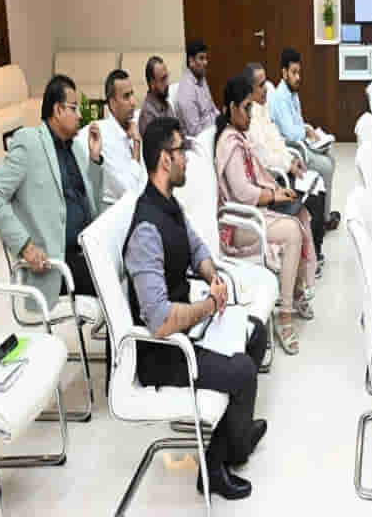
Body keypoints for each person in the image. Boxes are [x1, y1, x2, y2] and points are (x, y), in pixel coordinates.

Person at [125, 117, 267, 501]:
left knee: (257, 333)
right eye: (181, 151)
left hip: (187, 326)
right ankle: (215, 468)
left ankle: (237, 436)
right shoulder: (146, 230)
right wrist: (207, 306)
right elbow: (160, 321)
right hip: (163, 353)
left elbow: (196, 248)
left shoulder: (169, 205)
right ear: (164, 160)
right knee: (243, 371)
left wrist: (213, 277)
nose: (186, 159)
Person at [214, 76, 318, 354]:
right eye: (246, 108)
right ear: (232, 108)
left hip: (253, 213)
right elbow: (242, 192)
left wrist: (278, 191)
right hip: (238, 225)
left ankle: (296, 291)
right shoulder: (229, 143)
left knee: (302, 214)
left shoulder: (240, 137)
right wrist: (274, 196)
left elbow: (257, 177)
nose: (250, 114)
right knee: (292, 231)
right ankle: (285, 316)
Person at [0, 74, 105, 308]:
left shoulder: (77, 149)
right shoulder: (29, 143)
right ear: (58, 110)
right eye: (74, 108)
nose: (80, 115)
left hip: (87, 249)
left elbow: (94, 207)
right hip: (57, 264)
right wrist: (25, 247)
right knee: (113, 280)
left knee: (134, 263)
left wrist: (95, 160)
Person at [242, 62, 328, 275]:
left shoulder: (262, 109)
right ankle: (310, 258)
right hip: (273, 178)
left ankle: (315, 252)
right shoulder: (249, 119)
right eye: (261, 85)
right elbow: (263, 157)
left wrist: (291, 160)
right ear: (250, 90)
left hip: (283, 168)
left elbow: (277, 142)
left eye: (265, 83)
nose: (266, 89)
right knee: (313, 198)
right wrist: (288, 165)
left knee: (318, 185)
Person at [267, 47, 339, 231]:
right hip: (292, 149)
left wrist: (307, 130)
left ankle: (323, 214)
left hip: (300, 144)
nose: (298, 77)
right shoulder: (280, 98)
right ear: (284, 73)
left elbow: (297, 123)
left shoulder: (292, 93)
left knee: (330, 158)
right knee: (326, 166)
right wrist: (306, 131)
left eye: (299, 72)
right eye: (294, 73)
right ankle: (324, 220)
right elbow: (291, 134)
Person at [97, 68, 148, 207]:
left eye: (132, 94)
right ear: (112, 103)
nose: (133, 102)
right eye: (126, 96)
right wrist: (136, 145)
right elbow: (129, 191)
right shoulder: (105, 139)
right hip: (123, 210)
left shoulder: (135, 123)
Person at [175, 40, 220, 137]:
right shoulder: (186, 91)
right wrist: (217, 125)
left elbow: (212, 108)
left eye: (206, 58)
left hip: (213, 129)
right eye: (201, 58)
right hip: (200, 139)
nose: (206, 62)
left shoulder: (200, 77)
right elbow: (195, 131)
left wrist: (222, 121)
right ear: (191, 61)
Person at [138, 55, 178, 136]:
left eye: (167, 77)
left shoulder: (166, 103)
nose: (167, 83)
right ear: (152, 83)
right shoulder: (147, 114)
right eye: (163, 79)